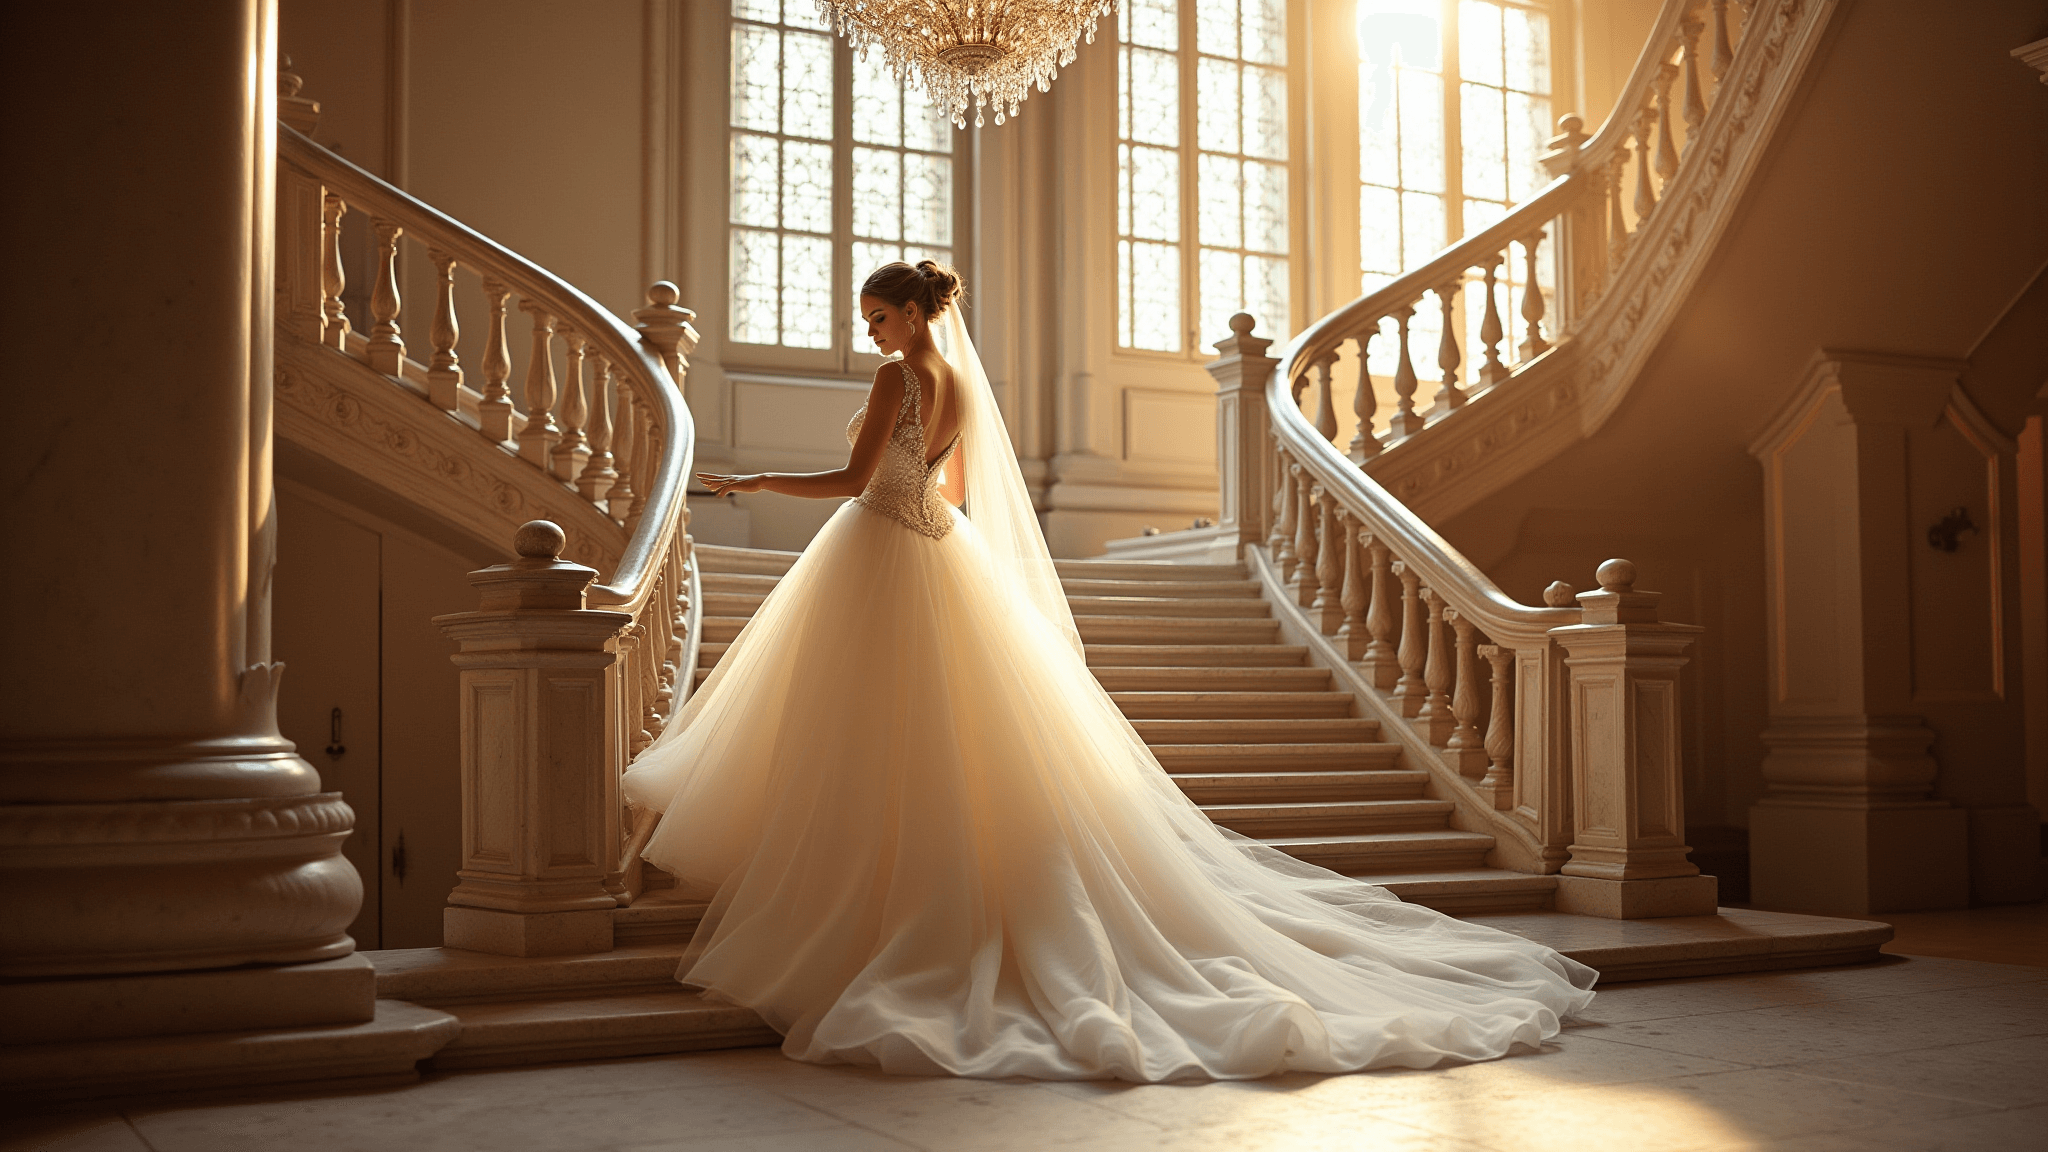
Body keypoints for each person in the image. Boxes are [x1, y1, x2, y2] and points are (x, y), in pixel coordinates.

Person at [621, 260, 1596, 1082]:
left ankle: (855, 894)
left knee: (864, 727)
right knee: (917, 735)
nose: (869, 332)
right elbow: (951, 486)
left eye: (877, 316)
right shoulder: (956, 383)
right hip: (931, 543)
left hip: (880, 540)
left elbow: (849, 482)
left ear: (914, 313)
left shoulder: (896, 380)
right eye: (868, 321)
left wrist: (752, 482)